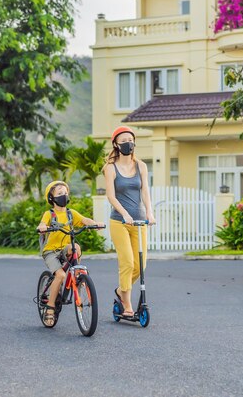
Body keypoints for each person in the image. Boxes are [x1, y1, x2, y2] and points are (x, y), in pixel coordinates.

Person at [103, 126, 156, 317]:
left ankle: (120, 291)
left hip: (139, 221)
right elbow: (111, 196)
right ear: (116, 144)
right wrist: (125, 214)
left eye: (131, 140)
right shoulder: (110, 168)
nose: (128, 143)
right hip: (120, 221)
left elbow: (145, 192)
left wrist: (149, 213)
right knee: (127, 263)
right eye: (124, 140)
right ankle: (127, 305)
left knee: (140, 266)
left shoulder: (141, 165)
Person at [37, 180, 104, 326]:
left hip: (64, 247)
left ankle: (76, 274)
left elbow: (84, 220)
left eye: (65, 193)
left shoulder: (70, 213)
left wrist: (95, 223)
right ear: (52, 198)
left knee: (76, 248)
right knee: (60, 275)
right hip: (51, 251)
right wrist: (42, 227)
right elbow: (43, 223)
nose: (64, 195)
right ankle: (50, 308)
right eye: (60, 193)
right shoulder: (50, 214)